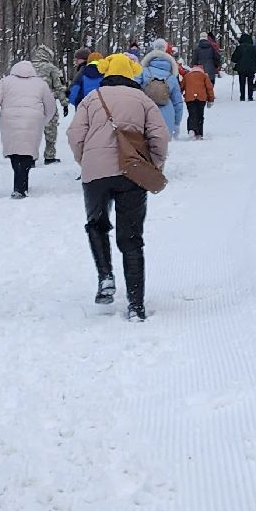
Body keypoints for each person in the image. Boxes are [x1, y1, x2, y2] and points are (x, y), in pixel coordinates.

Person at [67, 53, 170, 321]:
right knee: (132, 239)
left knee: (96, 224)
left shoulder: (91, 99)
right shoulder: (143, 100)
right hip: (133, 173)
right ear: (131, 74)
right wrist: (154, 165)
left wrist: (85, 160)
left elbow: (74, 134)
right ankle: (136, 305)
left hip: (95, 173)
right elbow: (159, 135)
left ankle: (105, 277)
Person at [0, 59, 56, 198]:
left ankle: (19, 186)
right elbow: (51, 106)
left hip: (10, 122)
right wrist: (44, 120)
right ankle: (21, 186)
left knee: (15, 153)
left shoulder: (5, 82)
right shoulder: (40, 84)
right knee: (27, 153)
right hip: (33, 122)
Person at [30, 44, 71, 163]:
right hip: (48, 103)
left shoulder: (28, 67)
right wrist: (64, 104)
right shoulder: (51, 68)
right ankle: (49, 156)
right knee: (51, 130)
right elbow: (59, 88)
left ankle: (30, 157)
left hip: (32, 104)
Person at [138, 40, 186, 138]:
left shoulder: (143, 72)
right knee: (162, 150)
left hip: (145, 114)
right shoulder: (172, 77)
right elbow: (178, 103)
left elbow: (133, 91)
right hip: (166, 118)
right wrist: (176, 124)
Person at [181, 63, 215, 139]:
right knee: (200, 115)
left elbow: (181, 87)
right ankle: (199, 133)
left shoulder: (187, 76)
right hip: (201, 98)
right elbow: (209, 88)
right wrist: (210, 99)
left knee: (192, 114)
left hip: (189, 98)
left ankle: (191, 129)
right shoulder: (204, 76)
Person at [231, 33, 256, 101]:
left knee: (242, 82)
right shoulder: (253, 48)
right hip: (251, 67)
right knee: (250, 82)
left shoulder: (240, 47)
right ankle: (250, 97)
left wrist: (236, 62)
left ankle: (242, 97)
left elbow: (234, 58)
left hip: (241, 68)